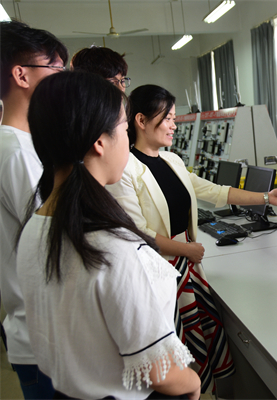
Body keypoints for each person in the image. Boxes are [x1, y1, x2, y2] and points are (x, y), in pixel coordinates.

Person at [106, 84, 277, 394]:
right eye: (167, 118)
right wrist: (186, 249)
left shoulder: (171, 160)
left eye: (174, 118)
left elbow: (214, 191)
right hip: (161, 270)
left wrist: (267, 197)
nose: (173, 125)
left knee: (200, 339)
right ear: (141, 120)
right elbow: (137, 233)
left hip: (187, 264)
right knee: (177, 348)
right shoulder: (126, 170)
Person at [17, 70, 201, 399]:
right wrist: (193, 382)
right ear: (100, 142)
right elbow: (160, 372)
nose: (128, 140)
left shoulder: (35, 227)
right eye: (124, 128)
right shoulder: (112, 246)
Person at [0, 20, 68, 399]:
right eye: (54, 68)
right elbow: (56, 236)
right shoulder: (15, 152)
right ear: (21, 75)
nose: (61, 78)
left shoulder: (26, 144)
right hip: (45, 336)